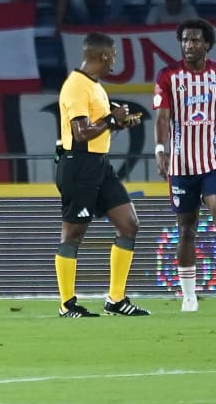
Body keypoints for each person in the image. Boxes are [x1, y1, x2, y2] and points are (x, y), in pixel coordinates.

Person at [153, 18, 216, 312]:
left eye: (195, 40)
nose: (189, 45)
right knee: (186, 230)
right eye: (184, 40)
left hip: (214, 160)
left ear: (207, 44)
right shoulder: (168, 76)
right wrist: (160, 149)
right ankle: (189, 296)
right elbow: (162, 117)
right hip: (181, 164)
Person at [54, 32, 148, 318]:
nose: (115, 60)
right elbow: (80, 132)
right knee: (73, 234)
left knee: (129, 225)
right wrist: (111, 119)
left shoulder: (95, 87)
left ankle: (116, 300)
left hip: (99, 165)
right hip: (78, 164)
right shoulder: (76, 86)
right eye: (114, 55)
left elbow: (99, 127)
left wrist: (120, 124)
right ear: (104, 56)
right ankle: (67, 304)